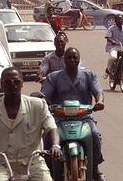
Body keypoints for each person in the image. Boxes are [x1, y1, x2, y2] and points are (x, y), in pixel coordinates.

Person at [0, 67, 61, 181]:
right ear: (2, 84)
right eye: (8, 82)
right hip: (0, 164)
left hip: (33, 164)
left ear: (22, 84)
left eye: (16, 81)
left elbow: (51, 128)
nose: (12, 84)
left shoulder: (38, 105)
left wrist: (55, 146)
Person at [41, 47, 106, 181]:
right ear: (64, 60)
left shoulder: (89, 75)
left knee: (94, 135)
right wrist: (43, 101)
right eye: (69, 57)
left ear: (78, 60)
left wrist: (99, 101)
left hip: (83, 117)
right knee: (46, 139)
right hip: (58, 118)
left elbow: (98, 91)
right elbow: (45, 95)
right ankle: (47, 169)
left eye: (74, 58)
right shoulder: (53, 77)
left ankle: (95, 169)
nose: (71, 60)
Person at [103, 15, 123, 79]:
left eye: (121, 19)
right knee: (113, 57)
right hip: (113, 47)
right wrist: (112, 41)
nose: (120, 20)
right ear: (115, 21)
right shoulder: (111, 28)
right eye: (118, 19)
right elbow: (108, 37)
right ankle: (108, 70)